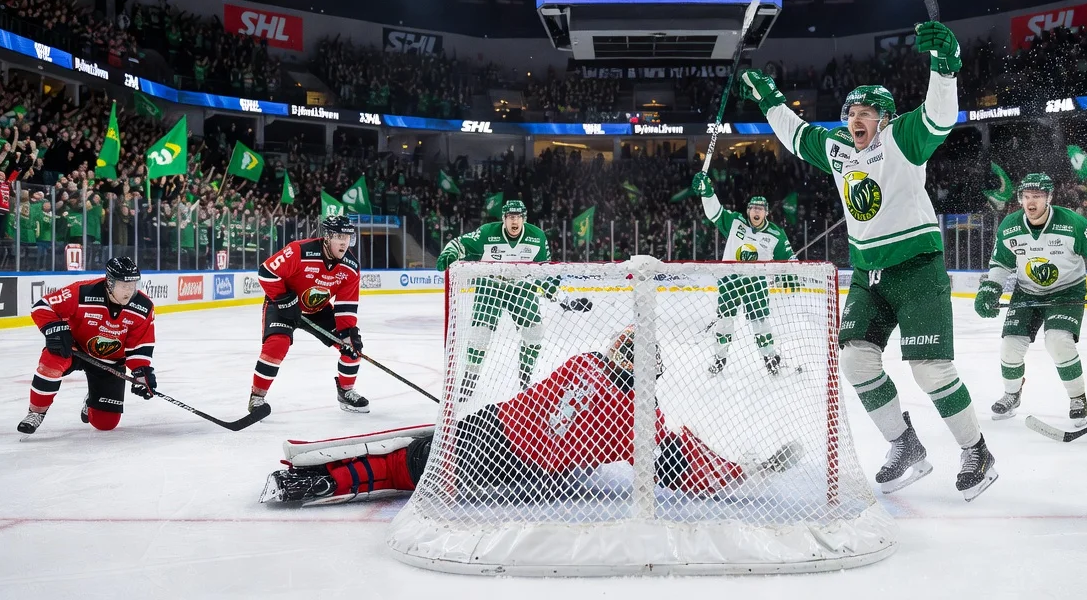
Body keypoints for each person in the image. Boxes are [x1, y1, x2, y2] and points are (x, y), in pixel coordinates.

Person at [738, 20, 997, 501]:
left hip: (917, 268)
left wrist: (945, 67)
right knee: (856, 360)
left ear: (885, 118)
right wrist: (769, 98)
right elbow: (796, 134)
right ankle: (904, 444)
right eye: (852, 113)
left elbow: (940, 116)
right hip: (867, 274)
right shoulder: (839, 149)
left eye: (867, 113)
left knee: (930, 370)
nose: (857, 120)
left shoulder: (903, 137)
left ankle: (977, 451)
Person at [259, 325, 801, 505]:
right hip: (518, 460)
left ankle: (322, 480)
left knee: (417, 459)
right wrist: (743, 470)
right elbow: (677, 465)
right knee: (416, 463)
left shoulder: (586, 359)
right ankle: (324, 481)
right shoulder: (641, 416)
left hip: (495, 427)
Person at [974, 173, 1087, 425]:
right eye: (1026, 196)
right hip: (1027, 291)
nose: (1031, 202)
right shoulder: (1010, 226)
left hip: (1067, 291)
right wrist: (991, 287)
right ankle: (1012, 394)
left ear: (1049, 198)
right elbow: (1001, 262)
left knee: (1058, 341)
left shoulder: (1072, 223)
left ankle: (1078, 398)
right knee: (1010, 346)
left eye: (1037, 196)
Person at [436, 200, 588, 398]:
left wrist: (558, 294)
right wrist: (449, 252)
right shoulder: (487, 233)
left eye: (518, 217)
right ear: (504, 219)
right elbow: (459, 243)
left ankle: (525, 377)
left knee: (534, 331)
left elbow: (545, 271)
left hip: (521, 287)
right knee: (480, 334)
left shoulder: (537, 237)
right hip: (490, 286)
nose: (514, 221)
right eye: (510, 217)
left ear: (524, 219)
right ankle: (470, 377)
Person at [18, 257, 156, 434]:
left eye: (132, 285)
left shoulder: (143, 307)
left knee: (105, 423)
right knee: (52, 362)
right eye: (124, 286)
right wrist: (55, 329)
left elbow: (139, 345)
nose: (129, 291)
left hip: (110, 361)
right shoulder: (83, 291)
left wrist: (141, 372)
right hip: (74, 349)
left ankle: (93, 398)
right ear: (110, 283)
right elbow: (42, 307)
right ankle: (36, 412)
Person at [249, 214, 367, 414]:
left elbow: (346, 305)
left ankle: (346, 391)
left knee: (352, 346)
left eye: (347, 237)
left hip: (318, 310)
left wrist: (347, 334)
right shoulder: (300, 251)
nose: (344, 243)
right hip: (284, 305)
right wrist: (284, 300)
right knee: (277, 344)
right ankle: (257, 398)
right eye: (339, 237)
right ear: (327, 237)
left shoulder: (350, 267)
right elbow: (267, 272)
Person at [690, 172, 795, 375]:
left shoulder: (776, 234)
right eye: (753, 208)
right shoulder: (735, 221)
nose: (756, 211)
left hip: (756, 282)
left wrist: (791, 271)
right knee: (725, 322)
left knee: (761, 323)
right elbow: (714, 212)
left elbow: (790, 260)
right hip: (729, 279)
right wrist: (707, 192)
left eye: (760, 209)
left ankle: (770, 358)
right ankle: (719, 358)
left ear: (766, 213)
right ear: (748, 210)